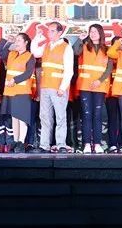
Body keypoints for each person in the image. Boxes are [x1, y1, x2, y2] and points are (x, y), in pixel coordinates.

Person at [73, 24, 119, 154]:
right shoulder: (84, 46)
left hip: (100, 86)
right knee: (87, 115)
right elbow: (75, 51)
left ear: (100, 33)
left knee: (97, 115)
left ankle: (97, 144)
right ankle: (87, 144)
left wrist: (100, 80)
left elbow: (109, 68)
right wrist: (80, 39)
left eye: (95, 31)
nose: (92, 34)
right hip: (85, 85)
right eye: (91, 31)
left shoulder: (107, 49)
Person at [31, 21, 74, 153]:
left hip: (58, 88)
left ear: (60, 32)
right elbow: (35, 52)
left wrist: (63, 87)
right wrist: (37, 37)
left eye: (52, 31)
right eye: (48, 31)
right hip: (45, 87)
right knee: (45, 117)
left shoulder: (66, 47)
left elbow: (69, 70)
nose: (49, 33)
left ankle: (61, 144)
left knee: (60, 117)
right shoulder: (47, 46)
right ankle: (44, 145)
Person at [0, 33, 36, 153]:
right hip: (10, 91)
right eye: (16, 40)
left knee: (22, 117)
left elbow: (28, 73)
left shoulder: (30, 56)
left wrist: (15, 80)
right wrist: (7, 41)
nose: (17, 42)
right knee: (14, 117)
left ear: (26, 42)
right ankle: (15, 141)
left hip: (22, 91)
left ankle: (21, 141)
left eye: (19, 40)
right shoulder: (12, 54)